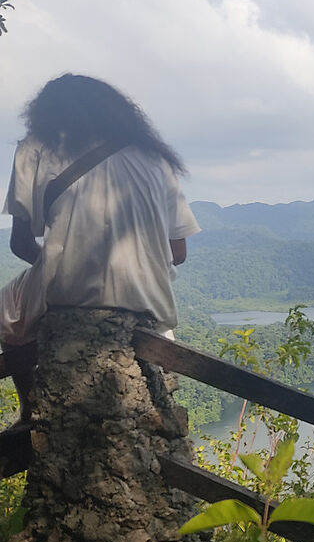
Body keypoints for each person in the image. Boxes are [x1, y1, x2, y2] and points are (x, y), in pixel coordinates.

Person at [1, 73, 201, 421]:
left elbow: (20, 243)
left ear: (45, 114)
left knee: (5, 310)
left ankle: (30, 412)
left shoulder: (37, 148)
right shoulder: (155, 158)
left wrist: (64, 261)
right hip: (150, 304)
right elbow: (178, 253)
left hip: (70, 299)